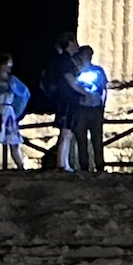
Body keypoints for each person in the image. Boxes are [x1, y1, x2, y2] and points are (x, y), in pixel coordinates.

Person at [42, 38, 83, 172]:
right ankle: (61, 163)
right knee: (65, 132)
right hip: (66, 100)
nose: (77, 45)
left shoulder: (68, 60)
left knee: (68, 132)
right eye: (75, 42)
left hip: (69, 100)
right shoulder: (64, 60)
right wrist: (85, 92)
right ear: (69, 43)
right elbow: (70, 81)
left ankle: (64, 163)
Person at [72, 44, 109, 174]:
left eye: (88, 54)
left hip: (95, 108)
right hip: (81, 109)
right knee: (81, 139)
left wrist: (103, 106)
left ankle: (100, 166)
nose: (86, 57)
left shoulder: (98, 70)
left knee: (97, 139)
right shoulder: (75, 72)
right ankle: (84, 167)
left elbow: (104, 88)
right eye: (84, 54)